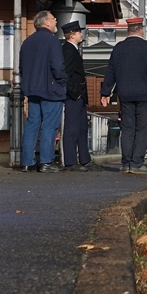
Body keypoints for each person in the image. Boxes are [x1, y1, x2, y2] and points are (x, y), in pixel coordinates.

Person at [100, 16, 147, 175]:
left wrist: (105, 93)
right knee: (142, 129)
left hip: (124, 94)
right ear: (141, 30)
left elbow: (110, 72)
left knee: (128, 128)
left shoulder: (118, 48)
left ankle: (126, 163)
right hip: (145, 95)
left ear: (128, 30)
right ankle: (137, 163)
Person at [20, 10, 67, 172]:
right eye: (54, 19)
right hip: (51, 89)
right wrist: (63, 82)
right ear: (46, 22)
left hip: (32, 90)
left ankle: (27, 162)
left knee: (32, 124)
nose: (56, 22)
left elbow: (22, 68)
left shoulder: (27, 42)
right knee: (50, 126)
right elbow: (58, 66)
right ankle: (46, 161)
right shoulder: (52, 41)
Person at [59, 21, 94, 171]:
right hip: (74, 96)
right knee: (72, 127)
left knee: (81, 127)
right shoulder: (67, 50)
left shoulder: (72, 49)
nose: (82, 34)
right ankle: (70, 161)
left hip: (78, 96)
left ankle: (85, 159)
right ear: (72, 35)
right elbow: (65, 73)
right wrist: (75, 92)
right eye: (79, 32)